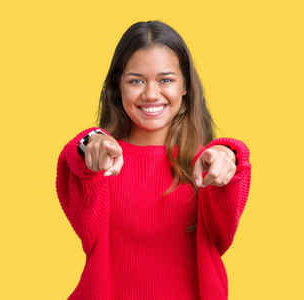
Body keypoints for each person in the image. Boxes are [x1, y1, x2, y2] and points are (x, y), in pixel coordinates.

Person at [56, 20, 251, 300]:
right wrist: (89, 141)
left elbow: (222, 235)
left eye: (166, 80)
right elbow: (77, 159)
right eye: (136, 80)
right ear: (117, 86)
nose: (150, 94)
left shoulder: (206, 165)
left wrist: (229, 154)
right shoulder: (103, 163)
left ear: (185, 86)